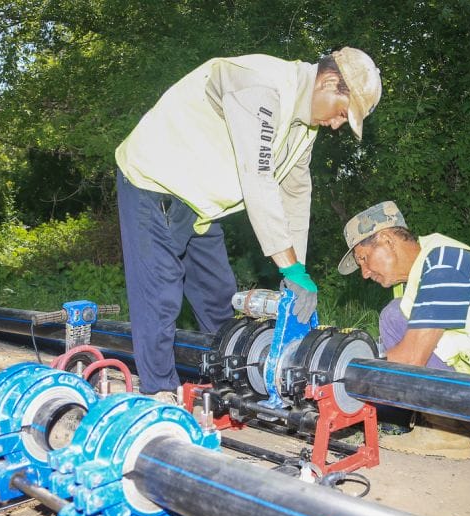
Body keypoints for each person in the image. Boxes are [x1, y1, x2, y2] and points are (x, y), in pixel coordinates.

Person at [115, 48, 382, 403]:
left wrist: (297, 271)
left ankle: (229, 383)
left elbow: (296, 192)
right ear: (330, 82)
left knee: (217, 299)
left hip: (201, 205)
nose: (336, 124)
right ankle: (158, 392)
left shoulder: (304, 127)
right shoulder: (261, 86)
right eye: (342, 113)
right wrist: (287, 265)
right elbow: (257, 179)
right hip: (154, 184)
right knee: (160, 297)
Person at [338, 201, 470, 459]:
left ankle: (445, 432)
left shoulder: (445, 264)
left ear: (387, 240)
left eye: (364, 259)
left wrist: (345, 370)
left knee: (393, 317)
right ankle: (444, 425)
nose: (365, 273)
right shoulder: (422, 267)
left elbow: (411, 359)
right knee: (395, 314)